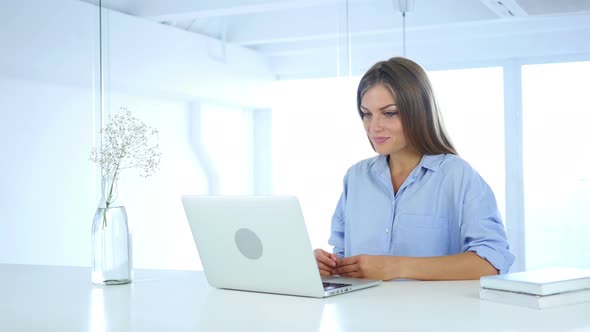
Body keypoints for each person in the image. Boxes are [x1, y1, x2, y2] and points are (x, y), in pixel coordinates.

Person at [314, 56, 514, 281]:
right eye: (367, 114)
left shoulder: (456, 175)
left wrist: (396, 267)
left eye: (389, 113)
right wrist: (326, 265)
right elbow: (342, 257)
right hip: (362, 313)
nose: (374, 127)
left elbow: (492, 261)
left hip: (433, 315)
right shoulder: (356, 178)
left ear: (417, 112)